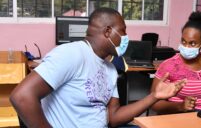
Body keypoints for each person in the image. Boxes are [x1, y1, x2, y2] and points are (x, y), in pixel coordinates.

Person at [10, 8, 186, 128]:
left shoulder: (109, 69)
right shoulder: (72, 54)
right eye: (123, 31)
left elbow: (114, 117)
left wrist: (154, 96)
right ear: (108, 31)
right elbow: (22, 97)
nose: (126, 37)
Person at [150, 11, 201, 114]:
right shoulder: (169, 65)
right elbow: (154, 103)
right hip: (180, 117)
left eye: (192, 43)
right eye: (183, 41)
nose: (186, 47)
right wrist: (180, 106)